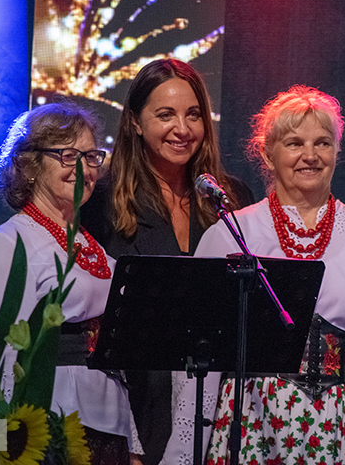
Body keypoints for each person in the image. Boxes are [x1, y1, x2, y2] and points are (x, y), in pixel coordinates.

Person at [194, 85, 345, 464]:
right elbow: (201, 363)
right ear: (267, 153)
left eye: (323, 143)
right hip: (257, 420)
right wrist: (184, 449)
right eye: (294, 143)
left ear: (338, 152)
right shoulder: (228, 234)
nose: (310, 155)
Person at [82, 59, 254, 465]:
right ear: (136, 123)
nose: (182, 129)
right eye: (165, 115)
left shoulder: (231, 198)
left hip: (217, 410)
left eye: (193, 114)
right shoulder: (101, 201)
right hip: (136, 408)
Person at [0, 102, 136, 464]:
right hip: (48, 428)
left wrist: (133, 439)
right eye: (67, 155)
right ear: (29, 166)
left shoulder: (91, 245)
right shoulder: (10, 244)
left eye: (91, 156)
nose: (84, 169)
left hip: (110, 426)